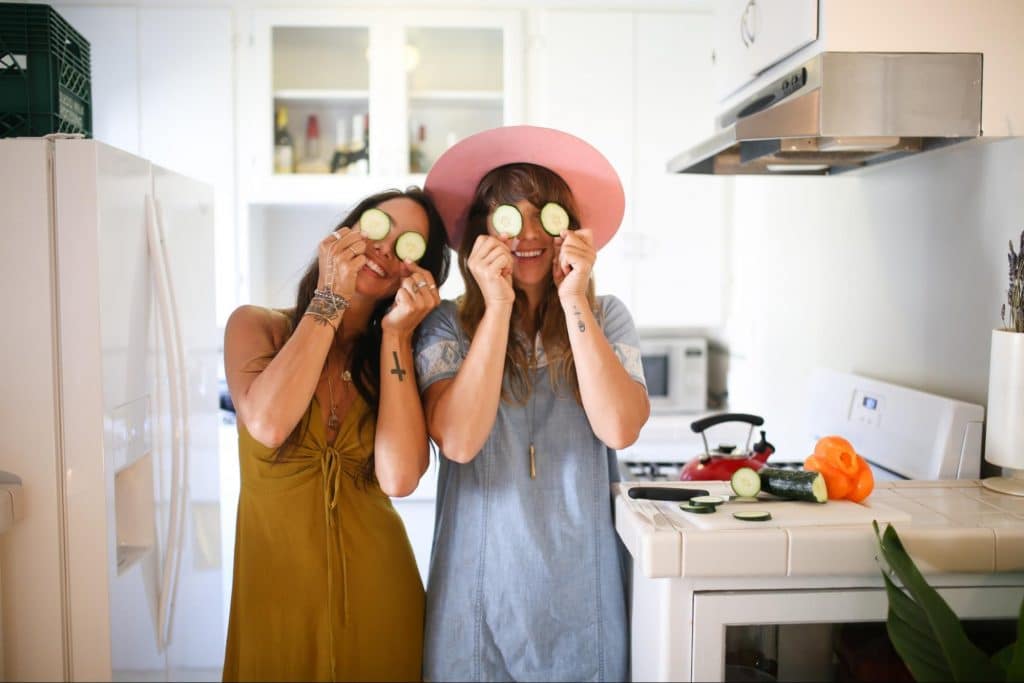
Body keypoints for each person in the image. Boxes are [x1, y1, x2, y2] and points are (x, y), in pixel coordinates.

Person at [415, 125, 651, 681]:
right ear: (481, 234)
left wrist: (574, 300)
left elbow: (620, 428)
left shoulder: (605, 315)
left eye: (543, 214)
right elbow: (459, 439)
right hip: (477, 593)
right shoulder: (447, 324)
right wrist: (496, 305)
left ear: (567, 229)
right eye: (506, 217)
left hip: (583, 590)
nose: (526, 234)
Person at [221, 187, 449, 682]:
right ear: (346, 233)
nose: (387, 248)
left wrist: (397, 336)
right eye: (378, 228)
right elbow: (269, 423)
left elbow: (401, 477)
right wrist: (329, 298)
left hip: (382, 600)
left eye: (409, 244)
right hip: (274, 608)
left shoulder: (395, 362)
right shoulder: (256, 327)